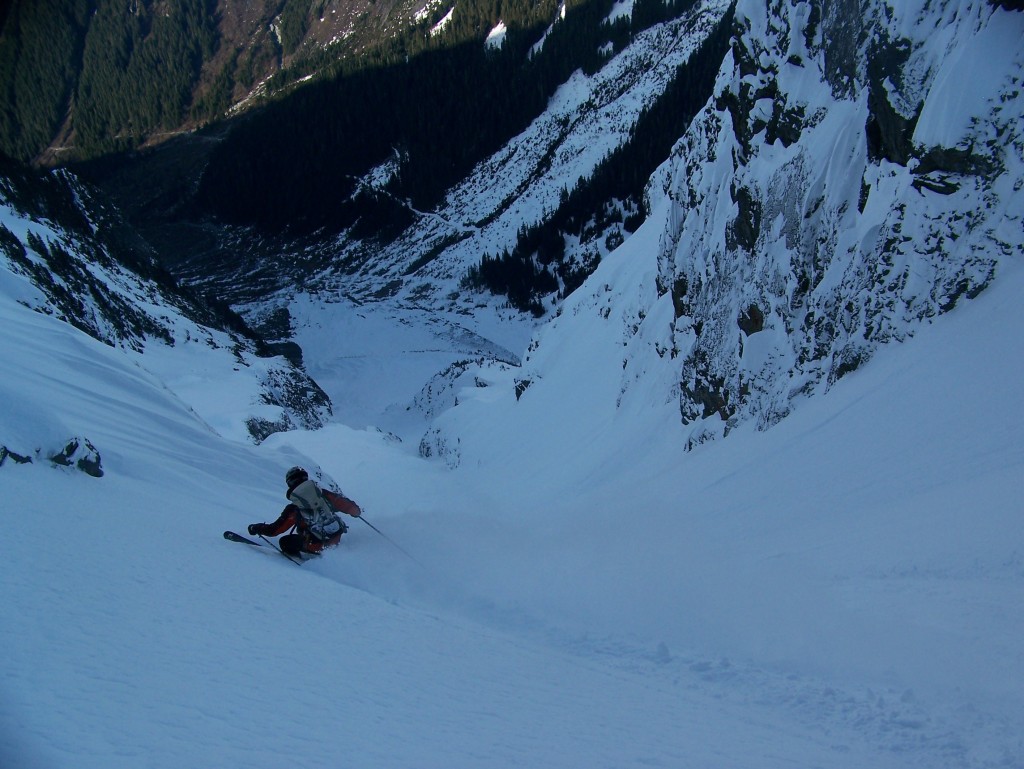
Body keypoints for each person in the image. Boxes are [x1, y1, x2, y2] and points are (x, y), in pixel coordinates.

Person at [248, 466, 362, 557]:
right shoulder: (323, 495)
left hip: (315, 546)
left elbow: (275, 530)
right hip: (336, 539)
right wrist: (355, 511)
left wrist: (256, 528)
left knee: (284, 542)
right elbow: (347, 506)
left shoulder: (295, 508)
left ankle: (301, 562)